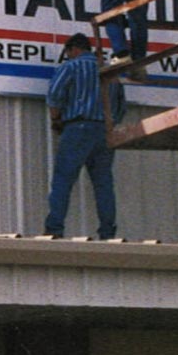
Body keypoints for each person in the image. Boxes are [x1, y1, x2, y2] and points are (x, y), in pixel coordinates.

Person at [43, 33, 126, 240]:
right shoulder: (110, 72)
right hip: (105, 130)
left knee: (63, 180)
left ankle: (54, 229)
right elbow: (121, 107)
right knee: (103, 184)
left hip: (78, 127)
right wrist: (110, 123)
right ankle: (107, 232)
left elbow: (54, 95)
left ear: (73, 49)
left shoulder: (71, 67)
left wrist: (56, 119)